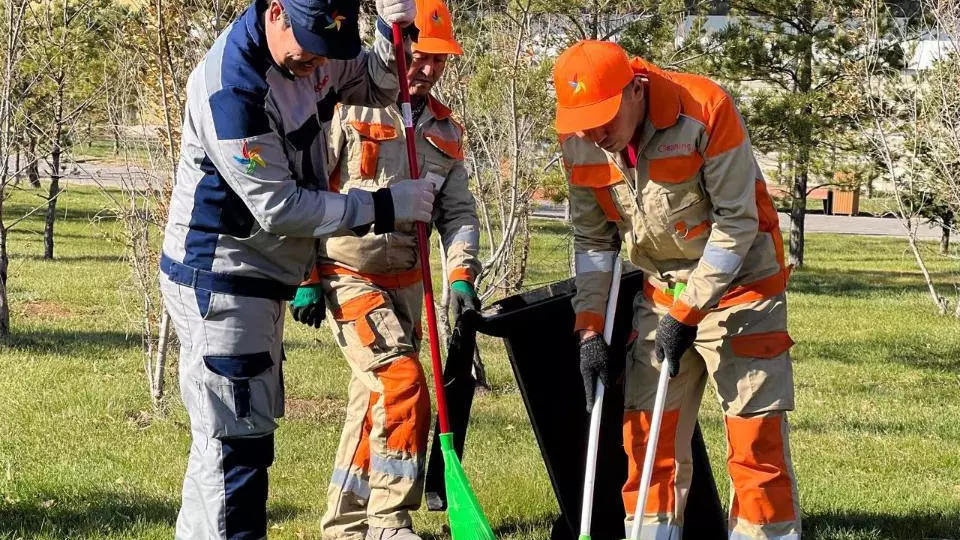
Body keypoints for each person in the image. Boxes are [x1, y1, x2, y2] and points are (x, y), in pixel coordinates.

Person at [157, 0, 430, 537]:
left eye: (329, 50)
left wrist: (388, 29)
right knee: (237, 454)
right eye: (310, 50)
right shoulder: (231, 89)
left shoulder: (313, 45)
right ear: (276, 11)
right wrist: (380, 206)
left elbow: (378, 85)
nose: (319, 66)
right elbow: (278, 207)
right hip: (223, 282)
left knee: (221, 446)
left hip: (258, 279)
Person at [555, 40, 800, 539]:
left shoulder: (705, 109)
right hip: (661, 292)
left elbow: (737, 223)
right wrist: (589, 329)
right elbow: (594, 241)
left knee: (755, 442)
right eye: (584, 123)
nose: (595, 134)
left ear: (636, 91)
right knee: (647, 437)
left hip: (742, 291)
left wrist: (688, 314)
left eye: (604, 118)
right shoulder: (581, 136)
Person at [289, 1, 479, 538]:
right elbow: (311, 189)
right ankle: (389, 521)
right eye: (420, 56)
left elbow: (458, 212)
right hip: (349, 275)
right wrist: (306, 276)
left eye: (439, 61)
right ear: (399, 48)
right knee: (401, 380)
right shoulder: (352, 108)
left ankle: (344, 523)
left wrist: (461, 275)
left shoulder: (446, 129)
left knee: (376, 399)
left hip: (407, 286)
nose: (427, 69)